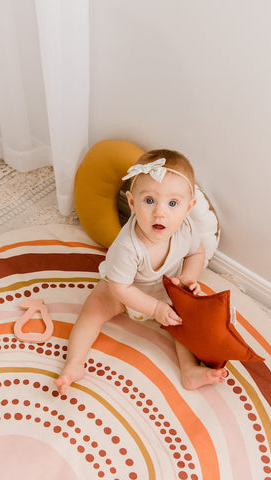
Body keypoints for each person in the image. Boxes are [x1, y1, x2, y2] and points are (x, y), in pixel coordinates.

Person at [55, 149, 228, 395]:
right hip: (123, 292)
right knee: (93, 309)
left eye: (172, 203)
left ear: (188, 208)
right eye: (149, 201)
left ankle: (189, 370)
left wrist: (189, 278)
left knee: (187, 319)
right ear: (133, 203)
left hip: (167, 290)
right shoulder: (127, 246)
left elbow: (196, 253)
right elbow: (120, 287)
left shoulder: (186, 229)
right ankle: (74, 363)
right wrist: (156, 309)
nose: (160, 212)